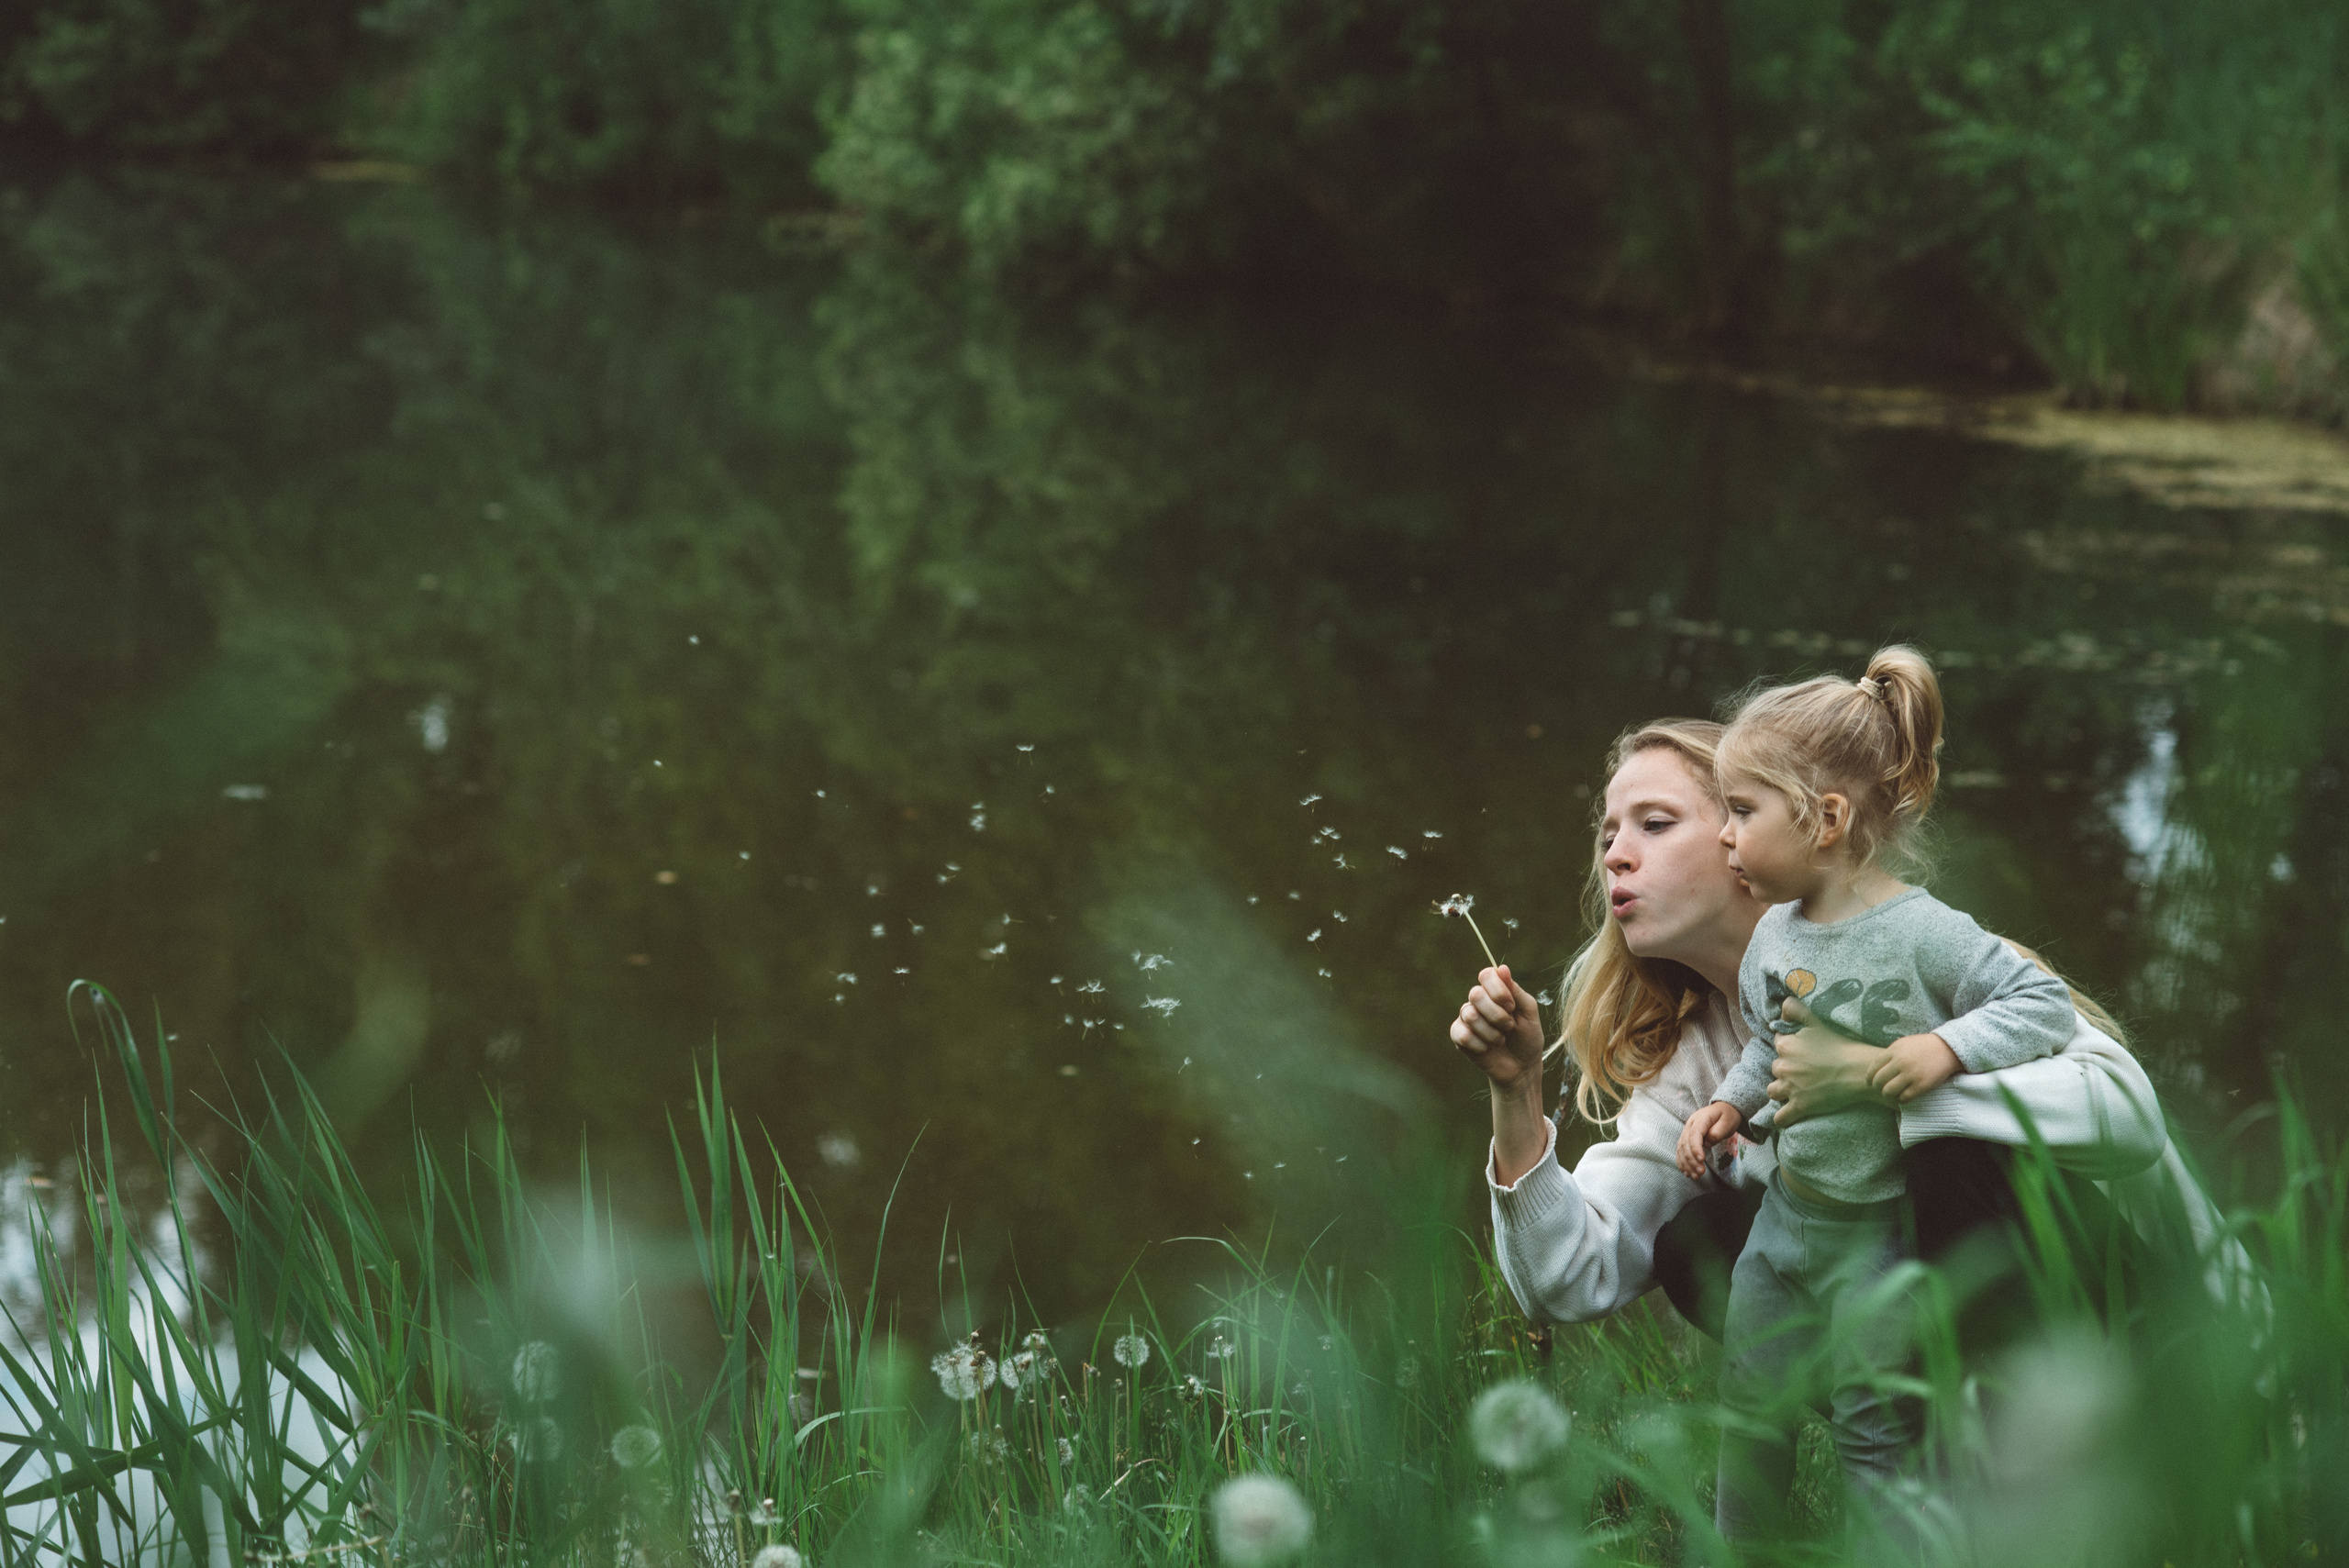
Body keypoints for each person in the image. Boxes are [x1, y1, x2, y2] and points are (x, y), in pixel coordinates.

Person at [1453, 717, 2169, 1349]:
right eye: (1609, 833)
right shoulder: (1699, 1064)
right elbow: (1566, 1281)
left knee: (1949, 1161)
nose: (1614, 854)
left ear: (1757, 835)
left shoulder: (1916, 948)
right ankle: (1930, 1465)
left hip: (2165, 1331)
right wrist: (1515, 1091)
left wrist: (1879, 1084)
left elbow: (2130, 1114)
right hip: (1963, 1370)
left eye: (1656, 823)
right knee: (1698, 1246)